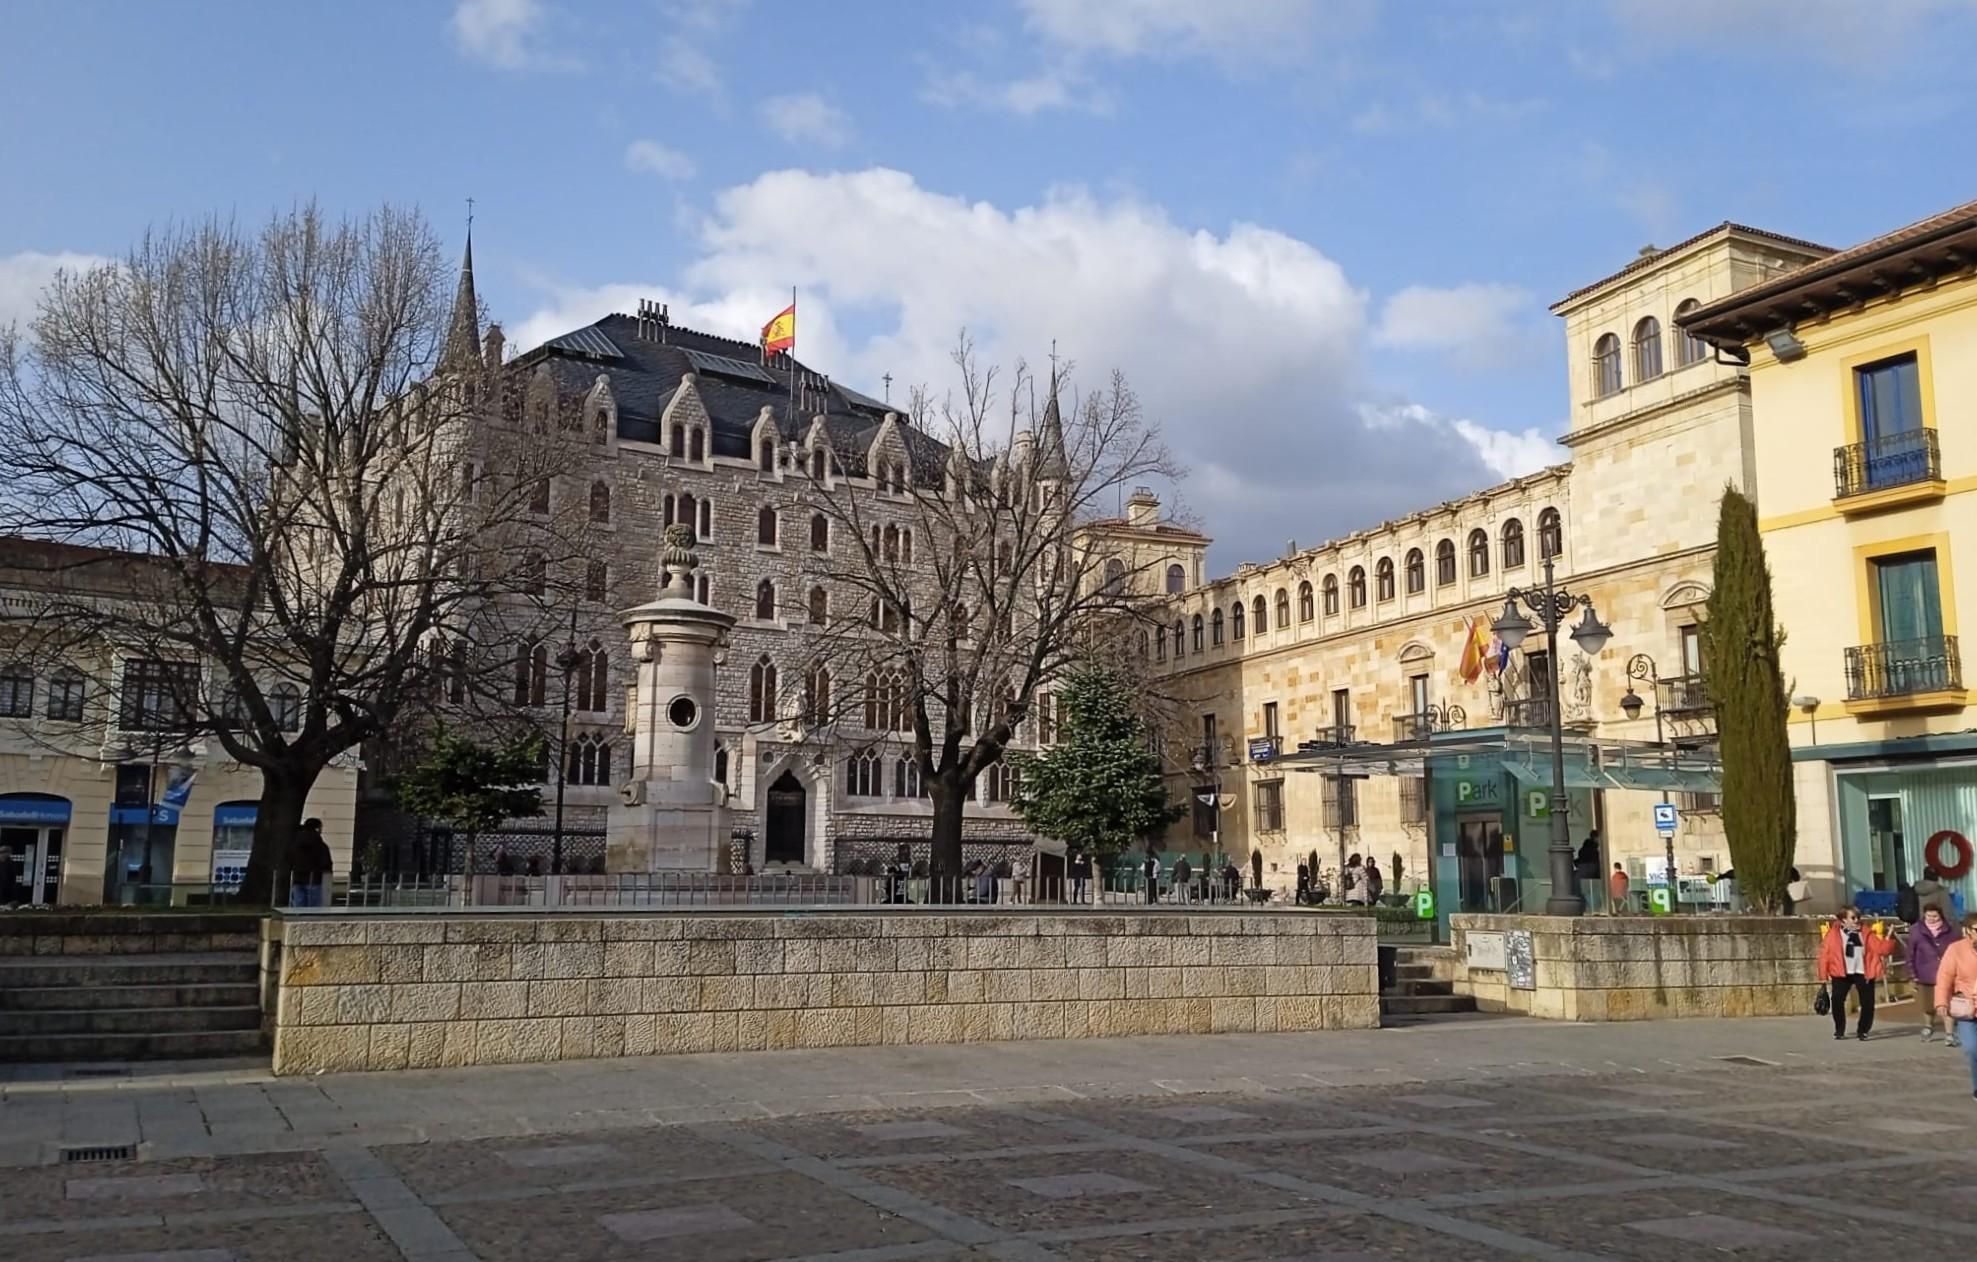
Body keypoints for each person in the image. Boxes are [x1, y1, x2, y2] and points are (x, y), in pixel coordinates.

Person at [1818, 906, 1896, 1041]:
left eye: (1858, 917)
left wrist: (1889, 937)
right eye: (1853, 918)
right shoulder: (1833, 934)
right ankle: (1839, 1029)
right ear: (1843, 920)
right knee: (1837, 1000)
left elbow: (1881, 950)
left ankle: (1863, 1030)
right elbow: (1824, 956)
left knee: (1867, 1003)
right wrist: (1823, 976)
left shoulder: (1866, 933)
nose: (1856, 920)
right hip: (1841, 972)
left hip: (1863, 971)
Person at [1932, 913, 1977, 1098]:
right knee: (1972, 1049)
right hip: (1967, 1009)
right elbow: (1944, 977)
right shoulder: (1956, 949)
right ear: (1968, 931)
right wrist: (1941, 1002)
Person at [1908, 905, 1960, 1044]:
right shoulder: (1916, 930)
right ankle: (1928, 1027)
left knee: (1947, 1004)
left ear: (1940, 916)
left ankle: (1949, 1034)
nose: (1931, 919)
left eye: (1935, 916)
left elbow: (1958, 951)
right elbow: (1910, 954)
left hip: (1947, 973)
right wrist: (1912, 974)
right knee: (1928, 1005)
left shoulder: (1950, 930)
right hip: (1925, 974)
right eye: (1928, 916)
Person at [288, 818, 333, 908]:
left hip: (297, 878)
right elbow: (326, 863)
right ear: (317, 828)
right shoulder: (320, 845)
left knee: (299, 907)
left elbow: (288, 859)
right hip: (314, 879)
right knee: (314, 909)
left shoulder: (294, 844)